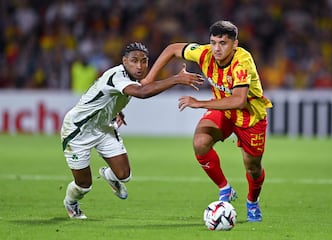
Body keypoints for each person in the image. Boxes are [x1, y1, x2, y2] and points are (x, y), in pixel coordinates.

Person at [146, 20, 272, 222]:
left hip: (250, 117)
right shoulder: (204, 53)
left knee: (253, 168)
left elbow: (239, 101)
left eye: (223, 43)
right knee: (200, 143)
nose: (216, 48)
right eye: (213, 42)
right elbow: (172, 49)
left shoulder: (242, 62)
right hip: (223, 110)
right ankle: (225, 189)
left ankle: (252, 202)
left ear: (235, 44)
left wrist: (199, 103)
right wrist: (148, 80)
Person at [61, 42, 203, 219]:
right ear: (124, 61)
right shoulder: (117, 75)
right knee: (84, 185)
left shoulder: (130, 78)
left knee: (124, 175)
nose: (140, 66)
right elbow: (142, 92)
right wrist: (176, 79)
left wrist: (115, 109)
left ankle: (108, 175)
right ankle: (71, 202)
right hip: (78, 130)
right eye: (134, 61)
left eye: (144, 61)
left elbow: (109, 94)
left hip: (104, 126)